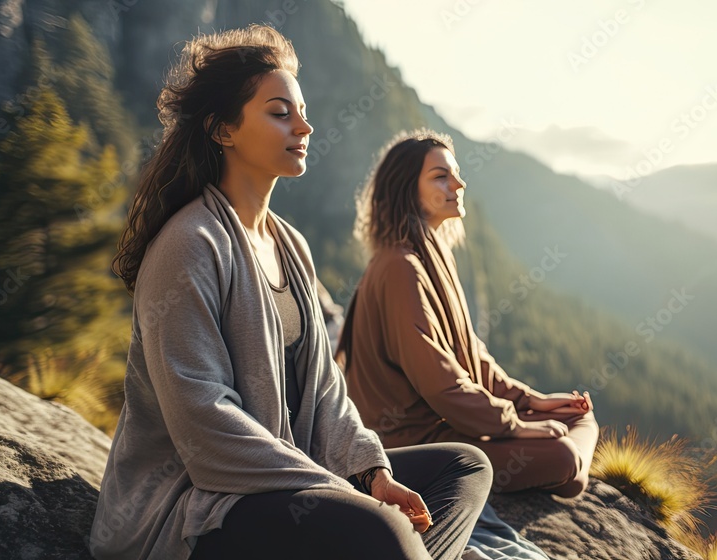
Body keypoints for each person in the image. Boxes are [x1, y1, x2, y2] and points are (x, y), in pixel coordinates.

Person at [90, 27, 491, 560]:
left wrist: (372, 473)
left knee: (464, 467)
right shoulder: (190, 244)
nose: (305, 126)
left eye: (302, 111)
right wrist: (342, 491)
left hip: (291, 476)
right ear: (222, 130)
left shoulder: (291, 245)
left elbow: (327, 391)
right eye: (280, 112)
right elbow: (207, 428)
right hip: (198, 507)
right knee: (385, 533)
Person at [337, 129, 598, 497]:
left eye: (455, 173)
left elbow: (471, 355)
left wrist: (529, 401)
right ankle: (567, 472)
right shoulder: (400, 266)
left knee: (578, 415)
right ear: (406, 189)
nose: (458, 184)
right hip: (417, 445)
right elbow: (440, 384)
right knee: (563, 454)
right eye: (440, 176)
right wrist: (514, 425)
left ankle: (567, 474)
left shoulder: (432, 252)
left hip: (455, 425)